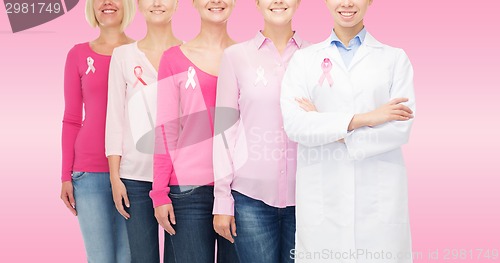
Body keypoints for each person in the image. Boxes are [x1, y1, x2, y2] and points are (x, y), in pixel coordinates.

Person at [280, 0, 415, 262]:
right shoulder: (304, 60)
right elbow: (296, 125)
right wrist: (366, 119)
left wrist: (324, 123)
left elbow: (400, 127)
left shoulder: (394, 58)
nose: (347, 3)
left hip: (379, 202)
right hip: (323, 200)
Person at [212, 0, 308, 262]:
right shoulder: (235, 57)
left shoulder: (315, 57)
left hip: (307, 199)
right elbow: (224, 131)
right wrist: (222, 200)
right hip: (250, 200)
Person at [150, 0, 239, 262]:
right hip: (188, 190)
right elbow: (165, 129)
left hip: (239, 190)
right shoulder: (173, 58)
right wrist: (159, 193)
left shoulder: (246, 56)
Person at [105, 0, 182, 261]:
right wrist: (115, 178)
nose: (157, 3)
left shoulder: (189, 54)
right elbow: (115, 118)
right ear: (138, 5)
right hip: (134, 178)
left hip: (179, 179)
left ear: (177, 5)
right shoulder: (124, 56)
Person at [60, 0, 135, 262]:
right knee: (100, 258)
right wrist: (65, 176)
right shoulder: (78, 54)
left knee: (129, 258)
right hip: (88, 174)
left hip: (132, 173)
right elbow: (71, 119)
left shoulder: (141, 52)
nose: (107, 3)